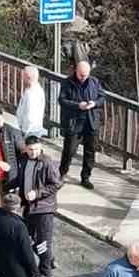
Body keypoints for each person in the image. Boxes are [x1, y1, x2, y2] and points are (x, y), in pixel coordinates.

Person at [17, 134, 62, 277]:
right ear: (26, 148)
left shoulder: (47, 162)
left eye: (36, 149)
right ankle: (48, 260)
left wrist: (37, 194)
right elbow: (21, 179)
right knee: (27, 238)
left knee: (43, 241)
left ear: (41, 148)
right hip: (29, 208)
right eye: (30, 149)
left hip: (44, 209)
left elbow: (56, 184)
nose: (33, 152)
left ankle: (45, 271)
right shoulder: (24, 159)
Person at [59, 59, 103, 189]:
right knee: (69, 151)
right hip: (74, 123)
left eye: (85, 75)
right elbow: (62, 100)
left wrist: (94, 103)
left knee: (90, 152)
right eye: (81, 75)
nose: (83, 78)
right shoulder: (68, 82)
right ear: (76, 71)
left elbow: (102, 97)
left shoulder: (94, 82)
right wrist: (78, 105)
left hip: (91, 122)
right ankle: (61, 174)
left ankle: (86, 177)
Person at [16, 65, 47, 138]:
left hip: (30, 131)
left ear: (28, 77)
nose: (21, 78)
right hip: (32, 129)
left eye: (23, 76)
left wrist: (25, 131)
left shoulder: (33, 94)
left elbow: (30, 116)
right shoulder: (32, 89)